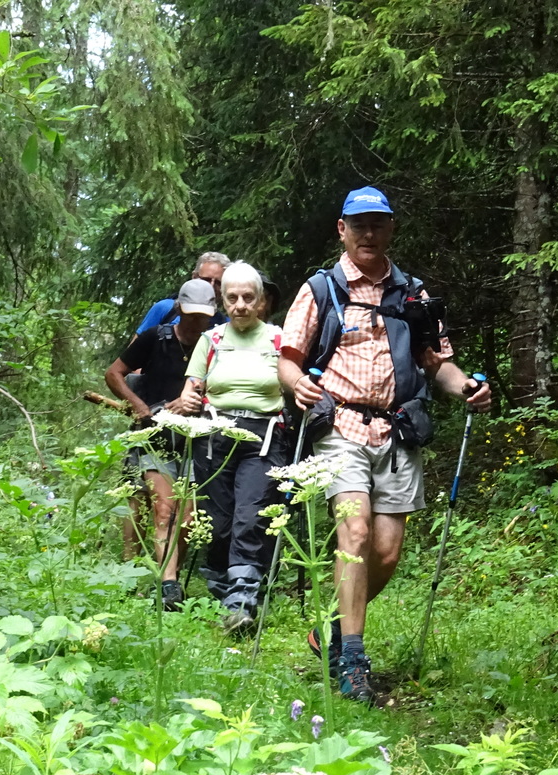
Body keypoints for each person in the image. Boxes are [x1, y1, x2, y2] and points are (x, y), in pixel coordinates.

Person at [278, 186, 491, 702]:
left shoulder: (413, 294)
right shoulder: (320, 288)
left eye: (378, 224)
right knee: (354, 532)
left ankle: (330, 629)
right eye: (359, 225)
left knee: (387, 551)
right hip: (340, 428)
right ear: (342, 230)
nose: (368, 233)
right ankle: (353, 662)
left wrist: (465, 386)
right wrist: (297, 383)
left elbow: (436, 362)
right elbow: (288, 358)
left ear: (391, 228)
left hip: (396, 432)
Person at [176, 262, 290, 636]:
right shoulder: (211, 340)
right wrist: (189, 399)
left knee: (250, 515)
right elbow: (192, 387)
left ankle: (241, 602)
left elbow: (294, 380)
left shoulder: (278, 339)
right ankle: (221, 588)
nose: (240, 305)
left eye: (248, 297)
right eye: (232, 298)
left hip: (264, 436)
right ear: (223, 301)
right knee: (218, 521)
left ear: (261, 301)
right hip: (214, 435)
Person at [105, 278, 218, 610]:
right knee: (164, 509)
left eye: (204, 316)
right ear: (179, 308)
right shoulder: (156, 338)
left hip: (198, 440)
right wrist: (140, 407)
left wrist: (197, 401)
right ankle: (169, 585)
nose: (197, 322)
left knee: (188, 518)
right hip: (156, 439)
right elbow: (114, 373)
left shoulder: (216, 345)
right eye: (192, 315)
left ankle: (170, 577)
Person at [133, 252, 230, 336]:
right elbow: (136, 349)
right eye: (206, 280)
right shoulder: (165, 309)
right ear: (194, 277)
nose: (211, 286)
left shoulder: (226, 325)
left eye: (218, 283)